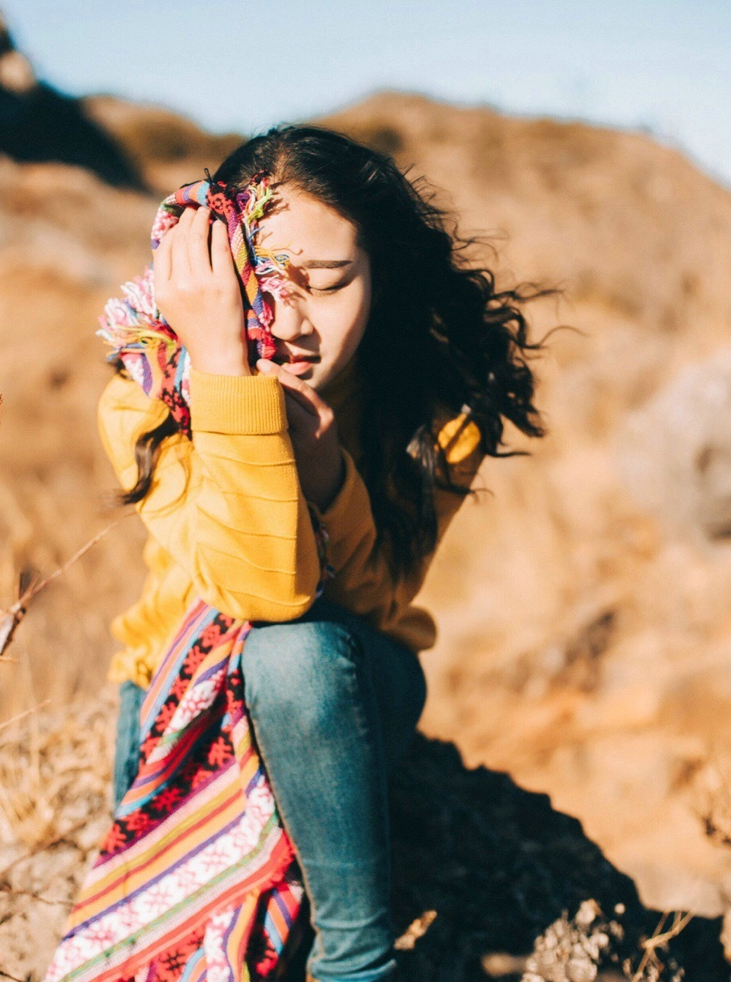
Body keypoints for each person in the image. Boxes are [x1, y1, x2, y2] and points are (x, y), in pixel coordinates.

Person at [97, 125, 544, 982]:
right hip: (176, 694)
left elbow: (355, 602)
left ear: (380, 273)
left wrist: (330, 473)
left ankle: (358, 962)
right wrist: (225, 374)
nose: (294, 322)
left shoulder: (435, 415)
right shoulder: (150, 397)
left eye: (331, 282)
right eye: (263, 285)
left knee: (296, 654)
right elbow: (249, 585)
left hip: (351, 677)